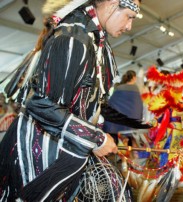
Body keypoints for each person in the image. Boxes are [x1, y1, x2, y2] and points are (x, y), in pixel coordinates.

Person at [0, 0, 141, 201]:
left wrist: (96, 128)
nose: (129, 26)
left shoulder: (92, 39)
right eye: (129, 16)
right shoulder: (74, 38)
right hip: (41, 154)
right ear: (111, 3)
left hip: (63, 148)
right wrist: (95, 138)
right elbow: (42, 105)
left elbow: (84, 101)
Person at [103, 69, 144, 144]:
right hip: (131, 122)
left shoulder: (119, 88)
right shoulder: (136, 89)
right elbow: (138, 107)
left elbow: (111, 103)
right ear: (134, 78)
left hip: (117, 122)